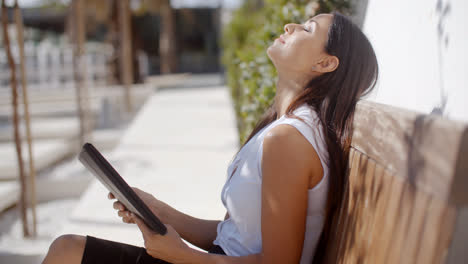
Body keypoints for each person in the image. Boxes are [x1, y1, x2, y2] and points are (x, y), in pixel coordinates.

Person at [42, 11, 378, 264]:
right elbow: (232, 237)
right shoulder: (284, 126)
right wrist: (161, 212)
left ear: (325, 62)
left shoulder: (289, 140)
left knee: (67, 253)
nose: (290, 26)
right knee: (67, 250)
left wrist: (184, 256)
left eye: (308, 29)